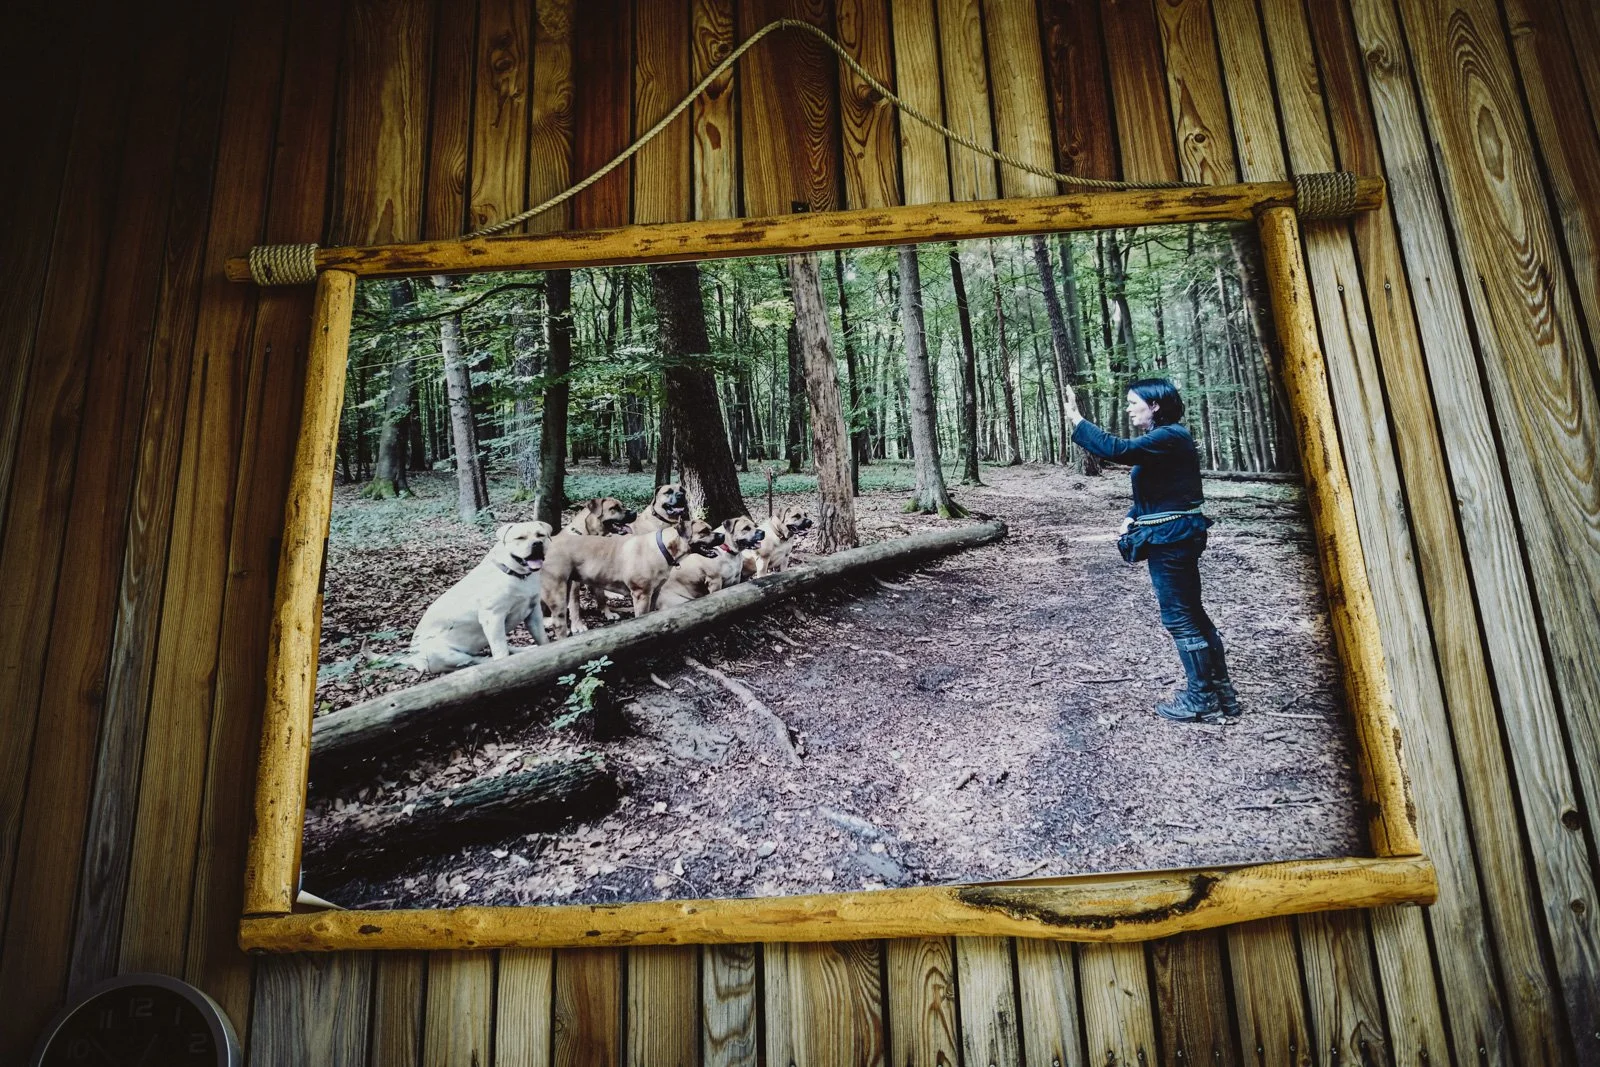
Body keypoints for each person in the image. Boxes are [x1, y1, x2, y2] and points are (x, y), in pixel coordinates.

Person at [1063, 378, 1240, 723]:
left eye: (1133, 403)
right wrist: (1132, 517)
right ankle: (1222, 693)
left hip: (1173, 539)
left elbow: (1118, 450)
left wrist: (1077, 419)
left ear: (1155, 405)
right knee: (1193, 613)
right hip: (1174, 534)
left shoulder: (1170, 436)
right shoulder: (1165, 441)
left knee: (1180, 617)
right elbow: (1163, 491)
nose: (1129, 409)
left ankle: (1202, 698)